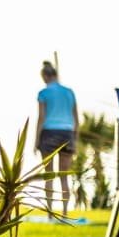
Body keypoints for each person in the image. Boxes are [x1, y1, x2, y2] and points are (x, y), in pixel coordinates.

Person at [35, 60, 79, 218]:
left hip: (49, 133)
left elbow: (41, 118)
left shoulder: (43, 93)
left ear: (46, 76)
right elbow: (76, 118)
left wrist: (36, 140)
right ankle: (65, 213)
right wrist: (76, 139)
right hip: (67, 134)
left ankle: (50, 214)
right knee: (64, 175)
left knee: (49, 175)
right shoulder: (69, 92)